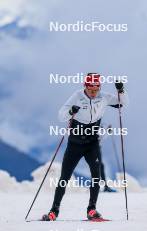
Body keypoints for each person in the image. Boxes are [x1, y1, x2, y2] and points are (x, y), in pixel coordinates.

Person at [42, 73, 128, 221]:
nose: (94, 93)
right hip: (75, 144)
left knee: (96, 177)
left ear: (99, 87)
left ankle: (91, 210)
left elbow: (122, 103)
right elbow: (60, 115)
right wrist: (71, 112)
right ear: (85, 87)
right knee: (64, 178)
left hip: (92, 143)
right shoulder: (76, 96)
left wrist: (121, 91)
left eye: (96, 89)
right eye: (91, 90)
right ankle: (54, 211)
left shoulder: (104, 97)